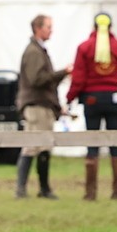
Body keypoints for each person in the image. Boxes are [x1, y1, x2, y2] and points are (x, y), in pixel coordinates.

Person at [66, 12, 117, 200]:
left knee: (93, 143)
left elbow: (79, 77)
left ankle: (90, 193)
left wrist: (70, 97)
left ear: (93, 27)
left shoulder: (85, 47)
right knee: (116, 144)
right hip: (114, 99)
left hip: (91, 99)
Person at [16, 14, 72, 198]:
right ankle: (28, 189)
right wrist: (62, 73)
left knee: (42, 146)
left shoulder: (38, 50)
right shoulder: (33, 52)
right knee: (34, 146)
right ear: (38, 28)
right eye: (48, 27)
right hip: (36, 106)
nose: (51, 30)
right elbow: (37, 80)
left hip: (42, 105)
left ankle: (41, 188)